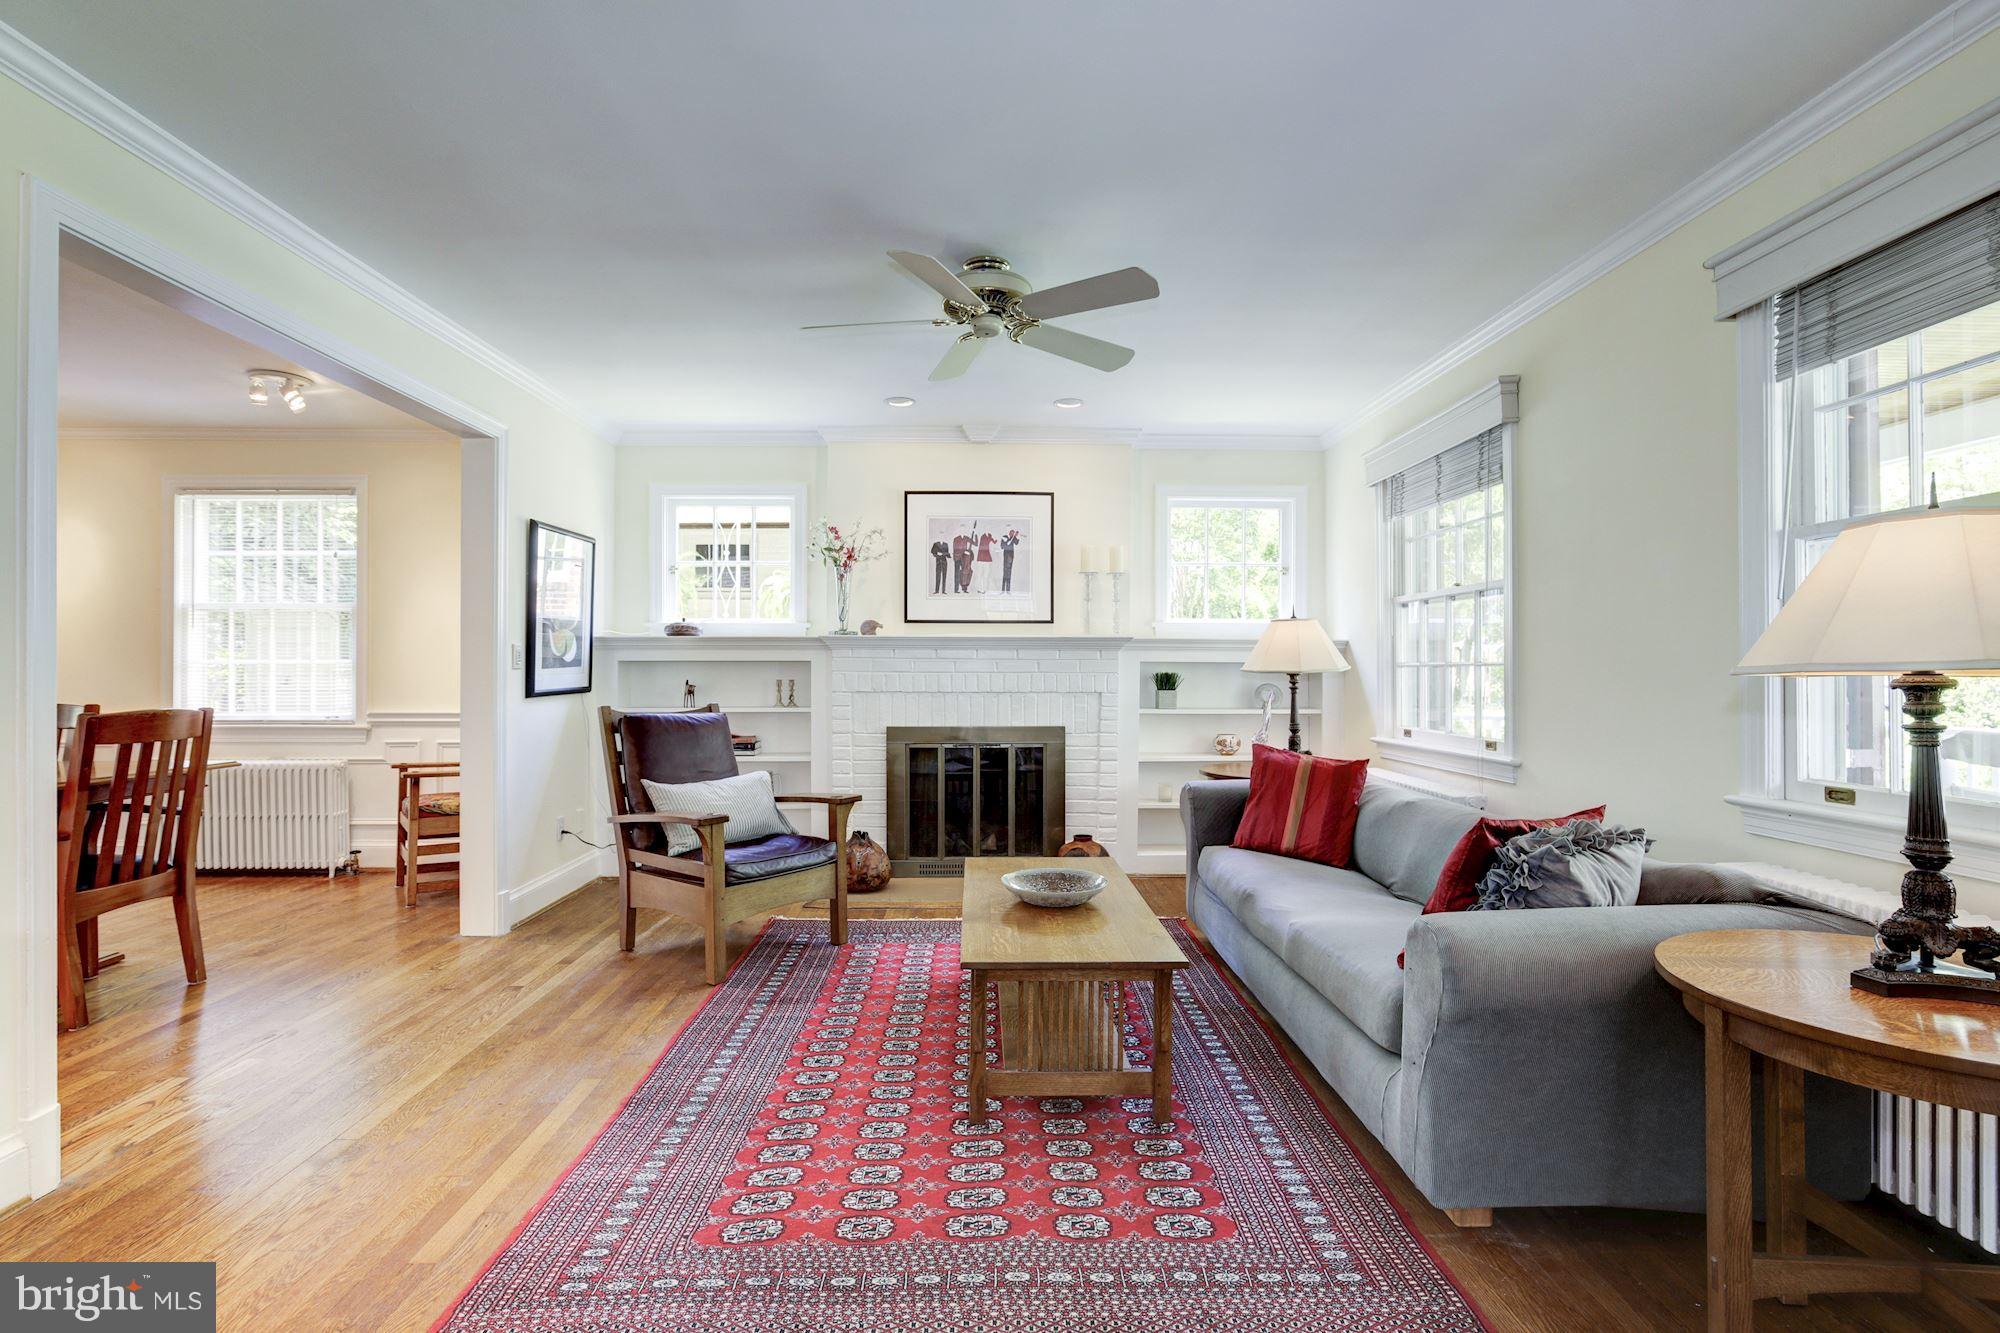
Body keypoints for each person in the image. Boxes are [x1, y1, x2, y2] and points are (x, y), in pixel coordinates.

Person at [973, 527, 996, 594]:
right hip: (981, 559)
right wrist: (976, 534)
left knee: (986, 575)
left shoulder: (989, 537)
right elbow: (989, 541)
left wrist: (996, 540)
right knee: (981, 575)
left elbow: (993, 542)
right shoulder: (983, 537)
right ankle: (980, 589)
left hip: (986, 559)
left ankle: (984, 589)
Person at [951, 527, 973, 593]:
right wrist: (963, 551)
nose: (962, 531)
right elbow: (955, 549)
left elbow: (975, 544)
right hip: (957, 558)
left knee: (965, 573)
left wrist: (974, 534)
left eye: (964, 529)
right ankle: (956, 590)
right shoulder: (956, 539)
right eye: (961, 529)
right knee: (957, 574)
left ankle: (964, 588)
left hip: (964, 558)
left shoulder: (966, 538)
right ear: (959, 530)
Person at [999, 528, 1020, 593]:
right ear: (1009, 533)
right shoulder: (1005, 537)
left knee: (1009, 573)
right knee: (1005, 573)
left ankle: (1008, 590)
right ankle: (1003, 590)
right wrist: (1012, 537)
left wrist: (1016, 536)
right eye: (1011, 533)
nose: (1012, 534)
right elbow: (1002, 546)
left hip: (1011, 558)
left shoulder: (1013, 538)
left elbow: (1016, 543)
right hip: (1006, 557)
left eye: (1013, 533)